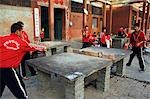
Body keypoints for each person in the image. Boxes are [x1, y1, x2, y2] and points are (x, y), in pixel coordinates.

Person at [0, 23, 37, 99]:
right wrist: (44, 47)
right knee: (20, 90)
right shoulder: (21, 42)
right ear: (17, 32)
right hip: (8, 69)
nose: (22, 33)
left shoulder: (2, 39)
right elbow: (33, 46)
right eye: (21, 31)